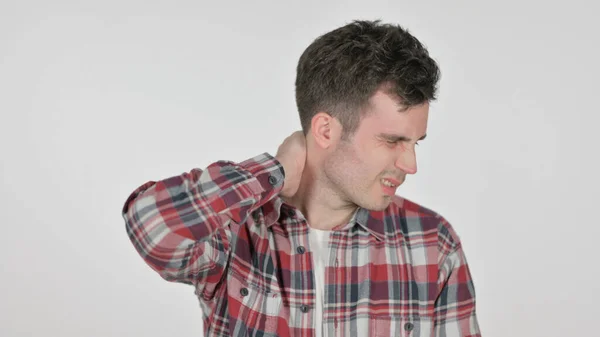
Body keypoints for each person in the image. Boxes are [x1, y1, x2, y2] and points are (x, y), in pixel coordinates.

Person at [122, 19, 481, 337]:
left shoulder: (433, 243)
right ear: (325, 129)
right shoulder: (236, 231)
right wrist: (275, 171)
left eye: (415, 142)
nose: (411, 164)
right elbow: (152, 226)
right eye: (392, 141)